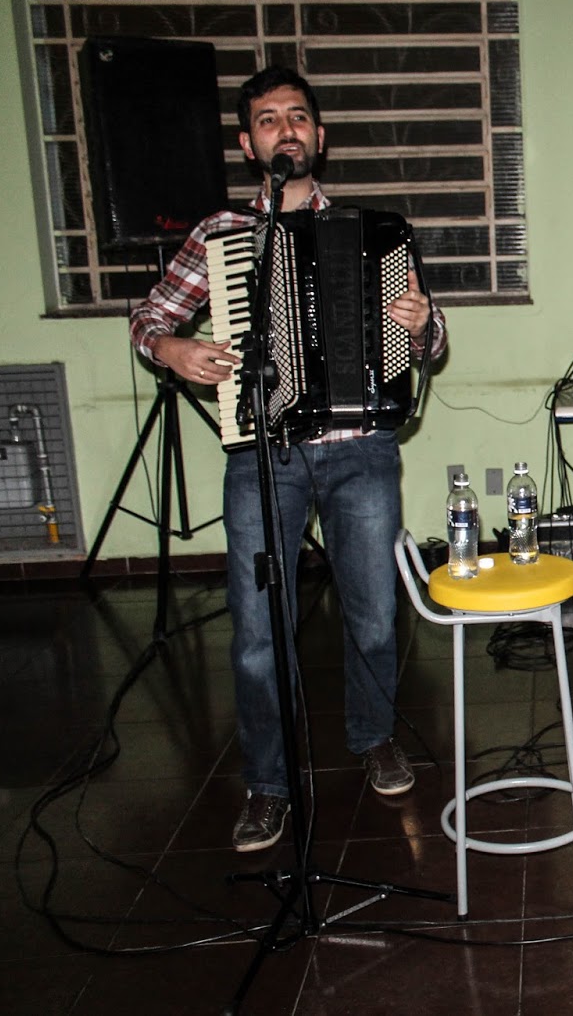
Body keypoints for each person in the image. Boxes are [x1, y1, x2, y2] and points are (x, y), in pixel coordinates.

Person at [130, 66, 448, 851]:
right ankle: (268, 784)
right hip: (262, 454)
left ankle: (374, 736)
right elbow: (151, 316)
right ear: (249, 144)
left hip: (361, 447)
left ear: (320, 135)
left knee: (374, 615)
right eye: (268, 120)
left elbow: (430, 344)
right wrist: (173, 348)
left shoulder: (374, 233)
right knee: (257, 631)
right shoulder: (221, 234)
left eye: (298, 116)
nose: (286, 130)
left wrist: (424, 322)